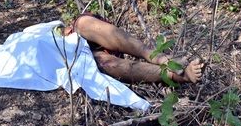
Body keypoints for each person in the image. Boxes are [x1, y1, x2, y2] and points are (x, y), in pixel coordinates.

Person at [64, 13, 203, 85]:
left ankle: (163, 58)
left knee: (83, 24)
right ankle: (178, 76)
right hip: (70, 57)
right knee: (101, 62)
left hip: (71, 34)